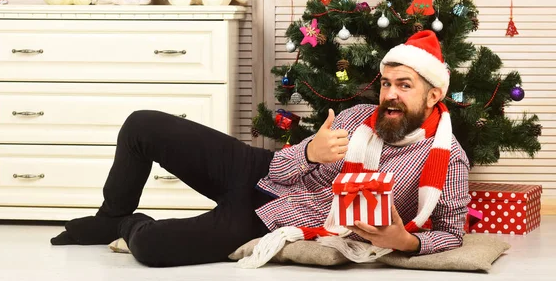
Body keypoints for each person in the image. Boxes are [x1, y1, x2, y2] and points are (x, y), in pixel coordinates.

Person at [51, 30, 470, 267]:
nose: (390, 95)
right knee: (141, 124)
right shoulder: (356, 118)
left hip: (274, 217)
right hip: (257, 170)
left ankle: (129, 225)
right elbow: (280, 171)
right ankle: (110, 218)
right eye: (386, 83)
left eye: (404, 86)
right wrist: (309, 153)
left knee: (152, 249)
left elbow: (451, 233)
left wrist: (407, 241)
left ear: (433, 97)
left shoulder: (447, 158)